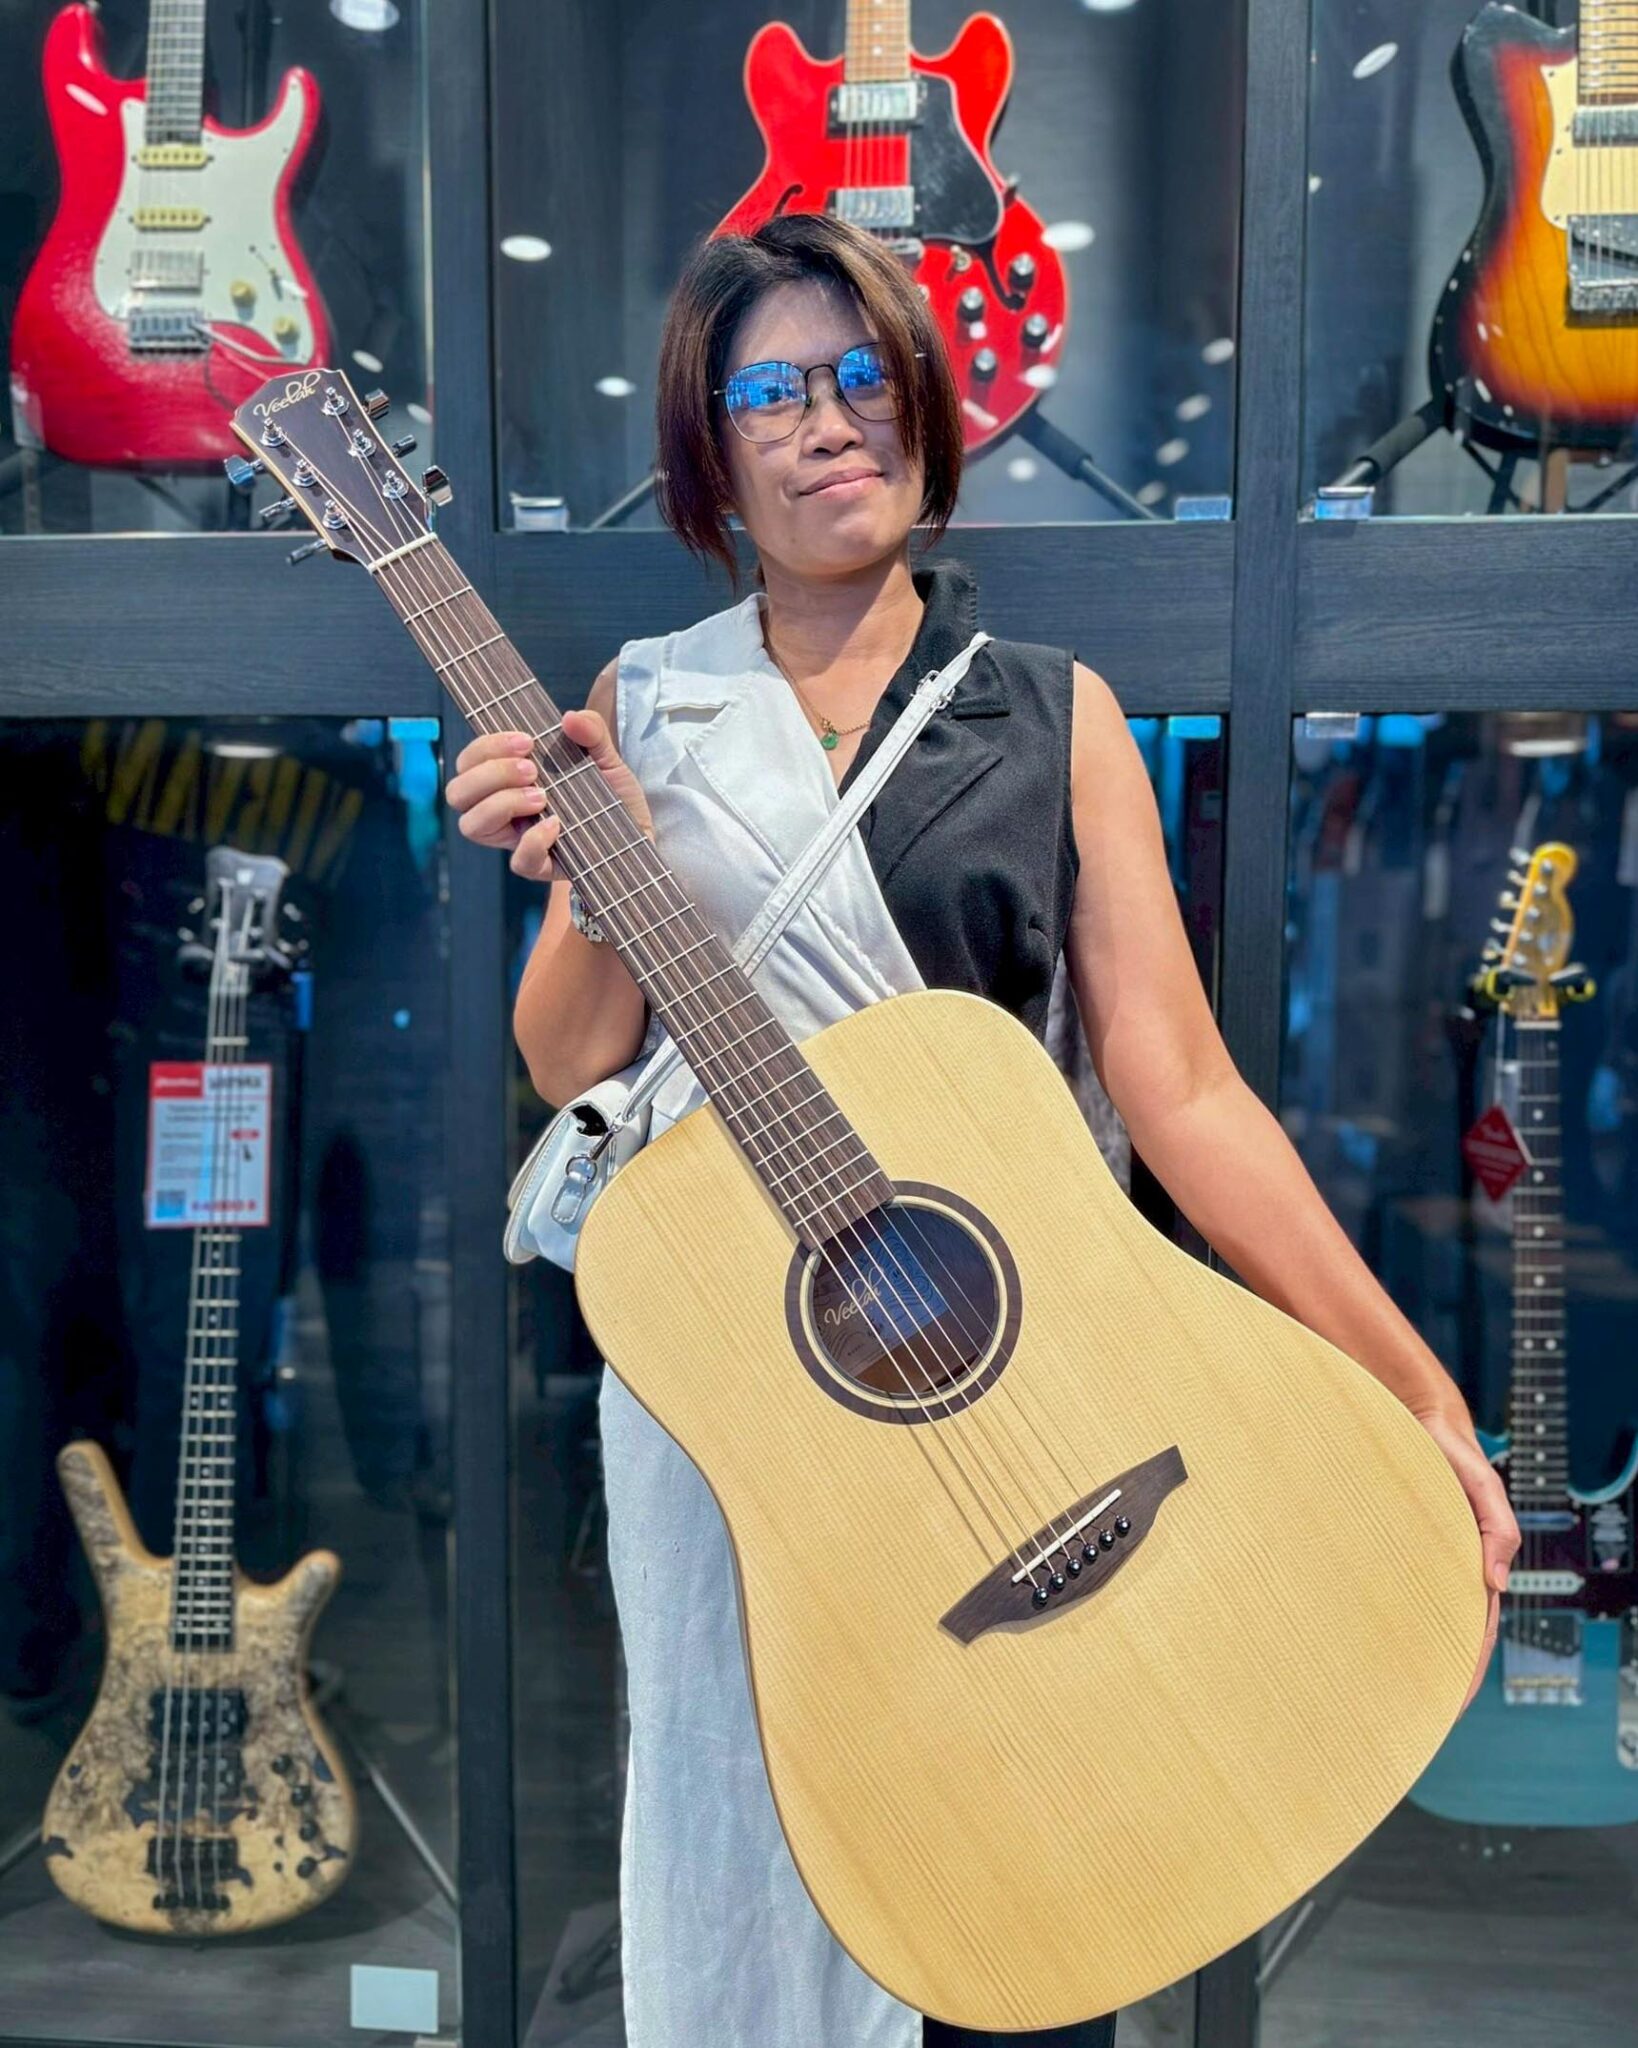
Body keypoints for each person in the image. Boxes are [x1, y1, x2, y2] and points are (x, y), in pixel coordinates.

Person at [445, 213, 1519, 2048]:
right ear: (712, 451)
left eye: (861, 374)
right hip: (761, 1393)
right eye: (769, 392)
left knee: (1048, 1850)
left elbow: (1183, 1093)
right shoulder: (649, 704)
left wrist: (1412, 1387)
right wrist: (583, 878)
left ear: (926, 410)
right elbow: (572, 1066)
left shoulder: (1050, 713)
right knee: (771, 1813)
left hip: (1034, 1377)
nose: (824, 421)